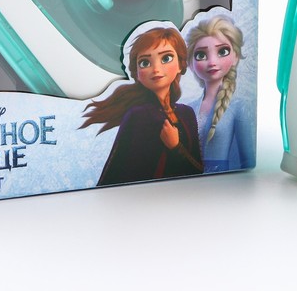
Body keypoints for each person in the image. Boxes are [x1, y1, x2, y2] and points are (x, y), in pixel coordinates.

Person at [81, 24, 203, 186]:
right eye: (145, 62)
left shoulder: (186, 113)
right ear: (137, 73)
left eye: (166, 58)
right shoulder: (139, 116)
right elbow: (117, 172)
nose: (156, 69)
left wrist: (175, 147)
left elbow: (198, 171)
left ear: (181, 65)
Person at [185, 14, 255, 172]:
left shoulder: (238, 107)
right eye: (201, 55)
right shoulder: (189, 108)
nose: (212, 62)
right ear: (190, 63)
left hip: (221, 180)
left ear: (235, 56)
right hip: (189, 179)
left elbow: (248, 160)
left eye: (222, 51)